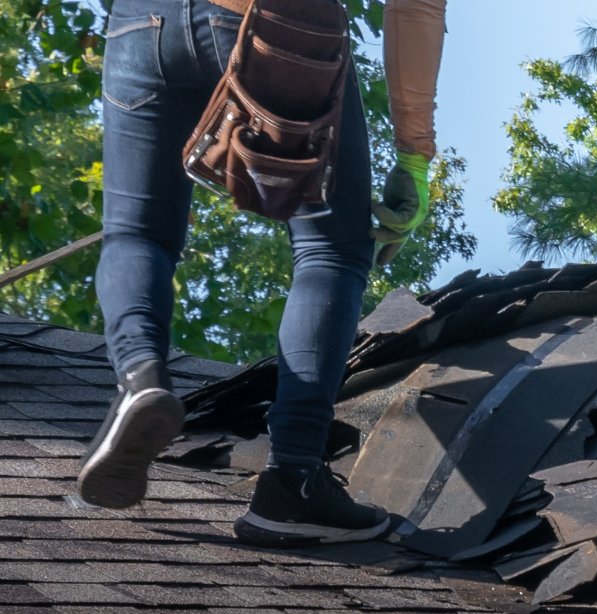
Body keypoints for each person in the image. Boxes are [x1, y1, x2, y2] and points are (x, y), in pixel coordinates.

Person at [77, 0, 447, 547]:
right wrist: (414, 155)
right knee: (333, 250)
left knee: (137, 234)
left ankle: (139, 379)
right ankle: (293, 477)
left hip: (138, 21)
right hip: (274, 22)